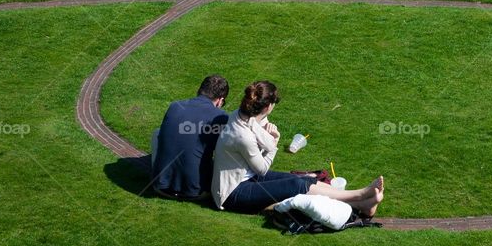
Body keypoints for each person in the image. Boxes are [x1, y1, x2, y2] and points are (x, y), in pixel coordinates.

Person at [211, 81, 386, 215]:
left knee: (303, 179)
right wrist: (274, 145)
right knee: (295, 184)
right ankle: (359, 195)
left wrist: (268, 139)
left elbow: (256, 130)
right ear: (267, 107)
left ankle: (361, 205)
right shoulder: (243, 136)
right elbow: (262, 169)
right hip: (233, 193)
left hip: (245, 177)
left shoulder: (241, 115)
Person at [151, 75, 230, 200]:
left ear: (199, 90)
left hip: (159, 186)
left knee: (157, 132)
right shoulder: (220, 116)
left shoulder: (175, 106)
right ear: (220, 100)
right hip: (194, 191)